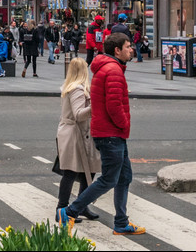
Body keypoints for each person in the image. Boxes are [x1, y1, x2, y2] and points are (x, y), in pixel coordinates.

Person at [57, 32, 145, 236]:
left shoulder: (106, 68)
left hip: (108, 132)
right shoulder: (113, 70)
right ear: (117, 50)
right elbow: (114, 106)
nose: (131, 50)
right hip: (111, 133)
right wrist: (124, 125)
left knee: (124, 178)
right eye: (128, 46)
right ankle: (70, 212)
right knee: (108, 179)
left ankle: (121, 222)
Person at [55, 57, 102, 221]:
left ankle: (80, 206)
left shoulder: (70, 86)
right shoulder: (77, 89)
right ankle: (63, 209)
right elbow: (79, 114)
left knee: (84, 170)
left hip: (71, 133)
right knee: (71, 172)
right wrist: (95, 105)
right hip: (74, 135)